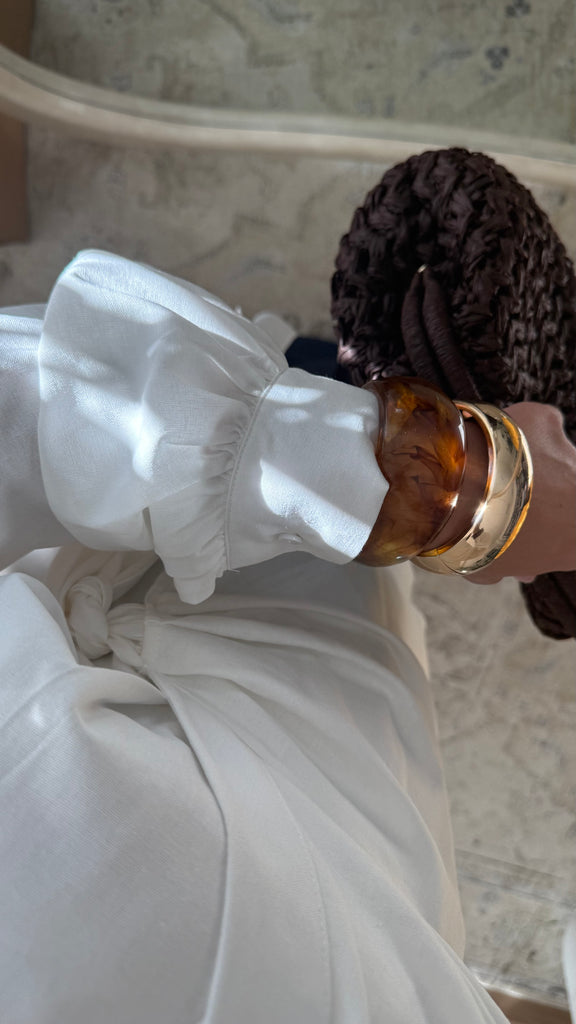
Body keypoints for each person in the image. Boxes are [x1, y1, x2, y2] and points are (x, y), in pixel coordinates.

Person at [1, 249, 575, 1023]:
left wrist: (466, 490)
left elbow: (39, 405)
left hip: (188, 630)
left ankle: (327, 381)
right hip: (351, 850)